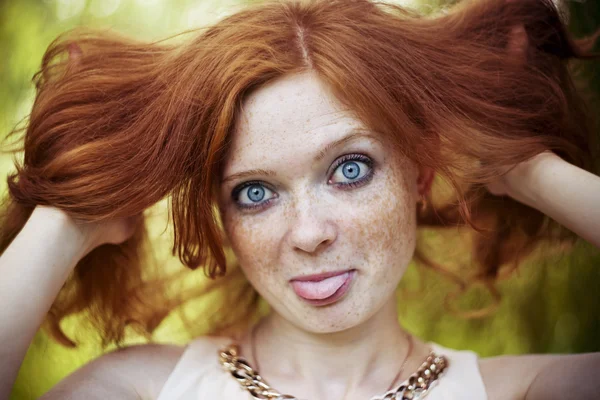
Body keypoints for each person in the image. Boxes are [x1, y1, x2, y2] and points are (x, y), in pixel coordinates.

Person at [1, 0, 599, 399]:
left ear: (419, 177)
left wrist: (524, 171)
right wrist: (63, 224)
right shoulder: (135, 391)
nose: (309, 232)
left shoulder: (525, 391)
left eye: (350, 168)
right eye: (255, 192)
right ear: (221, 216)